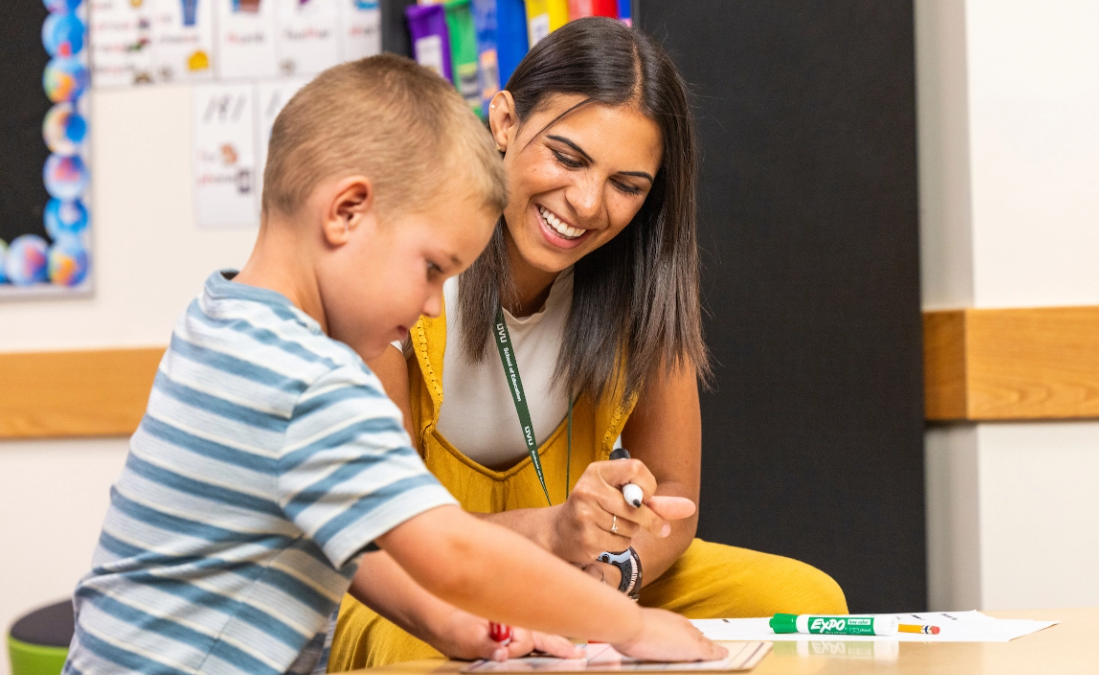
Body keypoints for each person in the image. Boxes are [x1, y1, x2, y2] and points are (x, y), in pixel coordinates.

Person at [62, 54, 725, 675]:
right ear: (347, 212)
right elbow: (453, 553)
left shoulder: (221, 321)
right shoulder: (309, 381)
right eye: (433, 269)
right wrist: (632, 627)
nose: (436, 306)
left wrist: (453, 627)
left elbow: (361, 544)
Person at [328, 18, 847, 672]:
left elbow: (675, 500)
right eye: (568, 157)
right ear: (504, 122)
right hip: (414, 585)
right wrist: (556, 545)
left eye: (627, 184)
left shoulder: (637, 289)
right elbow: (389, 536)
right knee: (426, 640)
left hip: (573, 569)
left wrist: (609, 577)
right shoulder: (407, 278)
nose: (585, 202)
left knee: (806, 596)